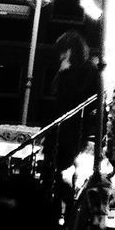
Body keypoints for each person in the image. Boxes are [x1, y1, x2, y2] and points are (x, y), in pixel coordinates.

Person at [49, 31, 101, 178]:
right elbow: (55, 91)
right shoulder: (72, 70)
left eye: (63, 52)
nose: (60, 57)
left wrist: (64, 74)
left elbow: (77, 95)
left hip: (74, 126)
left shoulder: (88, 70)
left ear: (71, 50)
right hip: (65, 124)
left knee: (64, 158)